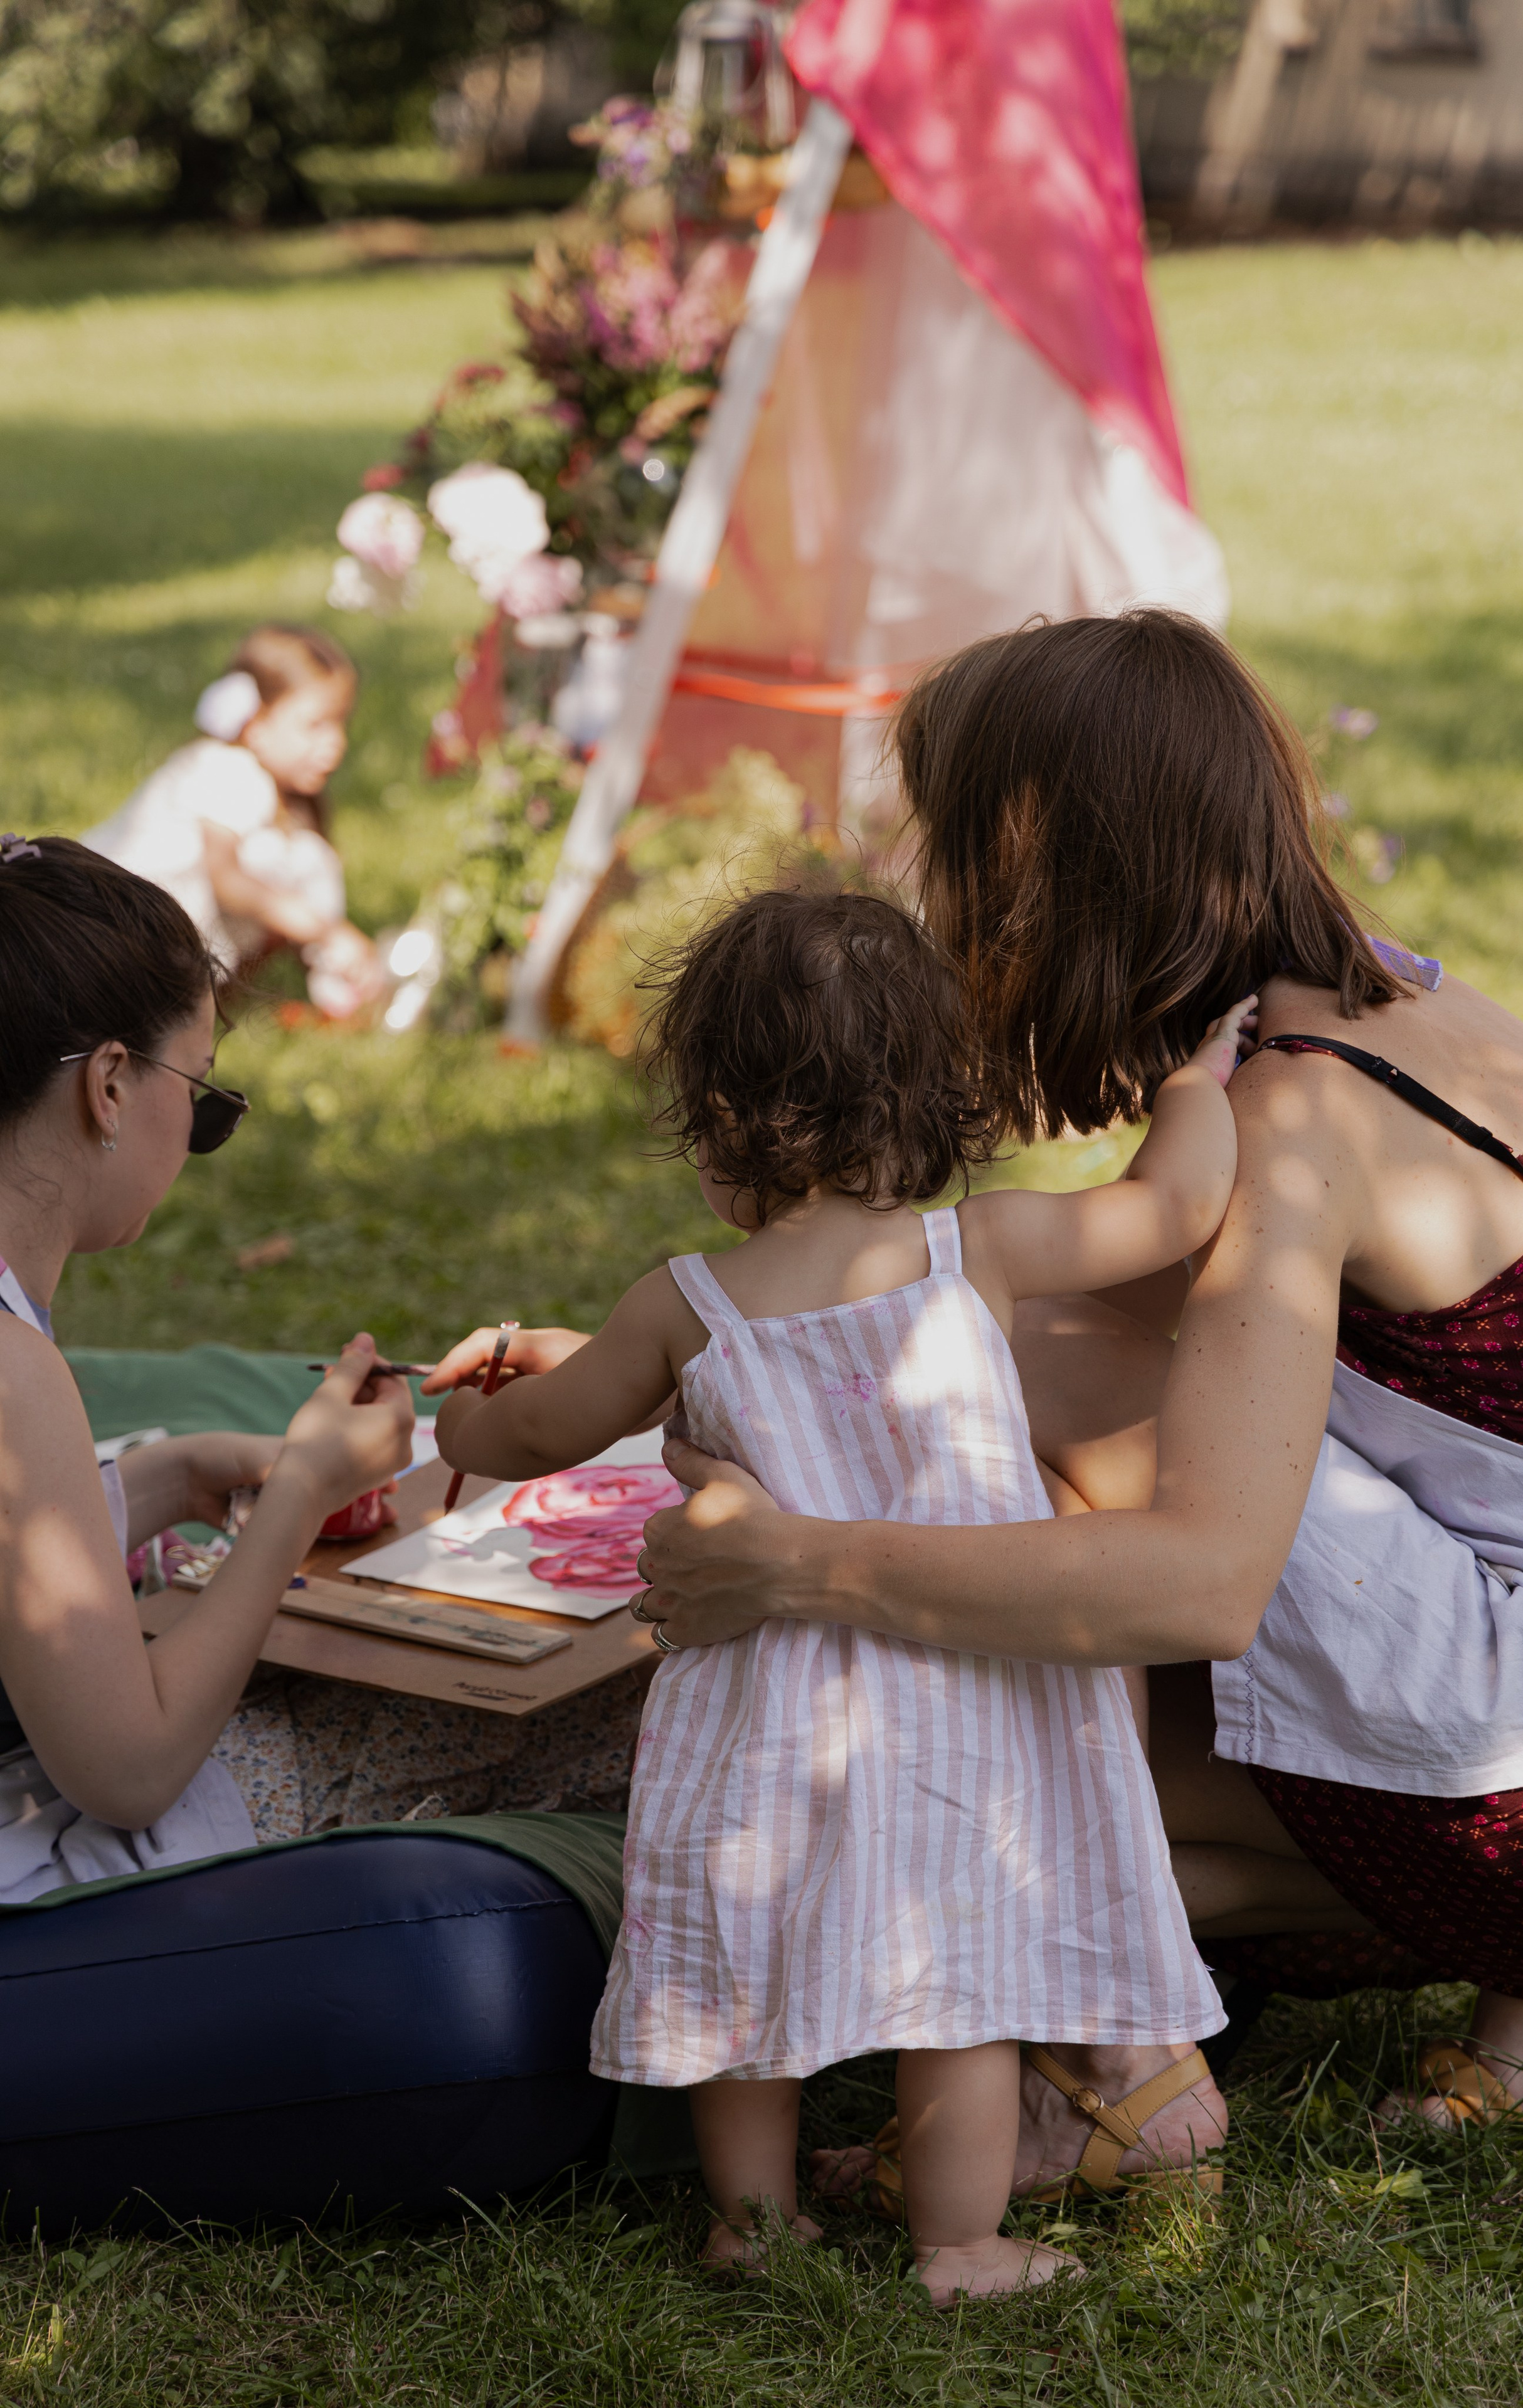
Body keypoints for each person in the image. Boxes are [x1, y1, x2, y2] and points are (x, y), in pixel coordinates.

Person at [627, 610, 1523, 2163]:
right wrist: (682, 1352)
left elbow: (1203, 1580)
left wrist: (794, 1564)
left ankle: (1125, 2069)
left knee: (990, 1529)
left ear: (1041, 864)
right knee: (1034, 1756)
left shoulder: (1299, 1113)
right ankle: (1509, 1971)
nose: (930, 897)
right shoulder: (1394, 1008)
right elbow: (1115, 1300)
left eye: (949, 849)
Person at [433, 885, 1252, 2303]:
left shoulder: (683, 1301)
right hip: (965, 1700)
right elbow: (1168, 1205)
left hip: (761, 1702)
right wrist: (1193, 1076)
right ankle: (960, 2242)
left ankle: (747, 2225)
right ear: (936, 1093)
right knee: (963, 1980)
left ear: (714, 1115)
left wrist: (470, 1403)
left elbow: (535, 1433)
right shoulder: (975, 1250)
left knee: (745, 1947)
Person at [0, 837, 652, 1883]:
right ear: (111, 1087)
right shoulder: (15, 1374)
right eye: (203, 1095)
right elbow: (127, 1770)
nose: (201, 1131)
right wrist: (303, 1488)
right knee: (613, 1704)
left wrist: (173, 1475)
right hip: (57, 1880)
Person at [83, 625, 380, 1020]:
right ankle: (341, 989)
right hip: (104, 938)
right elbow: (228, 881)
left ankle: (326, 993)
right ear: (256, 726)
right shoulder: (231, 771)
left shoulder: (256, 783)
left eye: (341, 722)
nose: (336, 741)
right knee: (301, 862)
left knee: (297, 860)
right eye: (316, 725)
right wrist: (327, 931)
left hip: (125, 940)